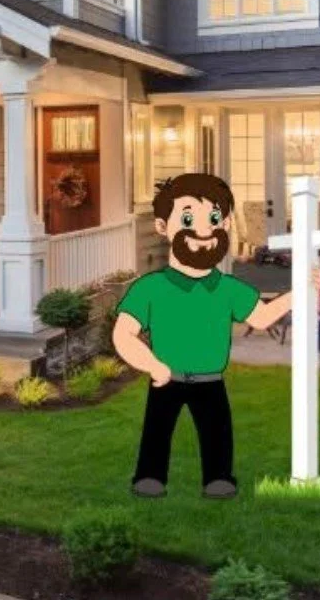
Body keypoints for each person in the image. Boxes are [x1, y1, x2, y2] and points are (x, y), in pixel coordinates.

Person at [112, 173, 260, 499]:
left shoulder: (226, 288)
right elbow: (123, 334)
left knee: (217, 431)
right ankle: (150, 476)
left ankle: (218, 477)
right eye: (189, 217)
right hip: (167, 376)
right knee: (157, 430)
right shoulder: (151, 288)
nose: (204, 229)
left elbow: (260, 317)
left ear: (225, 224)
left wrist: (300, 293)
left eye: (215, 218)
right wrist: (152, 365)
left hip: (210, 379)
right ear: (163, 227)